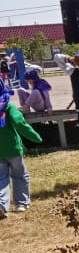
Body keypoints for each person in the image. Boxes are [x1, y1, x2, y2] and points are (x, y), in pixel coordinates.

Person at [0, 80, 42, 218]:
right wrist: (36, 137)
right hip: (13, 149)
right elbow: (19, 123)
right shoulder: (8, 106)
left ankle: (2, 205)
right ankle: (21, 204)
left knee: (1, 178)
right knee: (20, 175)